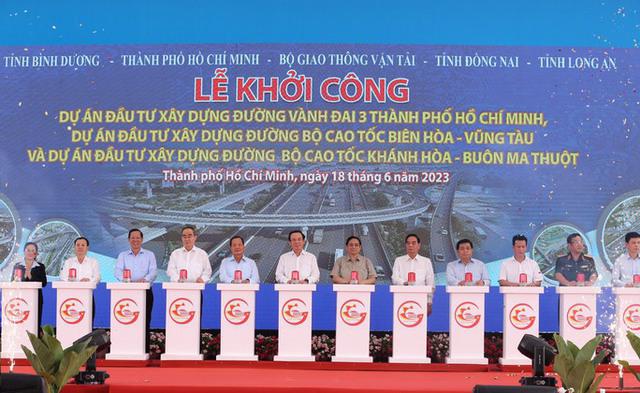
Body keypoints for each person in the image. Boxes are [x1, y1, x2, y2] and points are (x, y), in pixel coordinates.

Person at [114, 228, 157, 351]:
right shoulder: (123, 255)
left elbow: (153, 272)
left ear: (142, 239)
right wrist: (128, 281)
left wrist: (144, 280)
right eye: (133, 238)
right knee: (126, 320)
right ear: (128, 240)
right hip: (127, 293)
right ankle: (127, 348)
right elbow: (117, 271)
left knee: (145, 320)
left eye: (138, 238)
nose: (135, 240)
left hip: (145, 292)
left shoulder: (150, 255)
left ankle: (144, 350)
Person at [391, 234, 435, 315]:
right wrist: (405, 283)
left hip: (420, 299)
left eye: (413, 243)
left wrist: (429, 301)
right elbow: (394, 278)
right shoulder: (399, 260)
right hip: (402, 298)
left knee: (418, 325)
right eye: (408, 243)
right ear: (405, 245)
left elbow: (430, 283)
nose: (410, 245)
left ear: (419, 245)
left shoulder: (426, 261)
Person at [12, 242, 47, 331]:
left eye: (33, 250)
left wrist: (31, 276)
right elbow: (13, 282)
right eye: (28, 250)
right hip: (20, 299)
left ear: (36, 253)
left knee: (35, 322)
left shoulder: (40, 266)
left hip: (36, 299)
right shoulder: (18, 266)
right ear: (24, 251)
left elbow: (44, 283)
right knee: (21, 322)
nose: (30, 252)